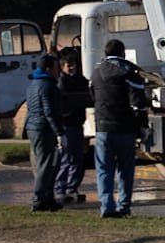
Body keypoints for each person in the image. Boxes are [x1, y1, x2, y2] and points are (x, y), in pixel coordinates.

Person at [90, 39, 147, 219]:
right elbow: (138, 104)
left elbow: (92, 96)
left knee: (104, 169)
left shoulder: (96, 73)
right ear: (123, 53)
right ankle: (124, 206)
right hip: (124, 128)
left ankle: (106, 206)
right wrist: (142, 127)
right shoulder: (129, 72)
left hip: (103, 128)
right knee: (125, 169)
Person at [24, 54, 63, 212]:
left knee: (47, 164)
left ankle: (48, 198)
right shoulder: (47, 85)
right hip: (43, 129)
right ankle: (38, 198)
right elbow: (49, 112)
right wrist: (59, 132)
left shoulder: (33, 84)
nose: (58, 71)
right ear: (48, 68)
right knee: (46, 165)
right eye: (56, 67)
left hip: (33, 127)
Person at [54, 51, 91, 205]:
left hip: (76, 124)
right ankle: (62, 189)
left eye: (73, 65)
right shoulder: (63, 83)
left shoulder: (78, 80)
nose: (72, 68)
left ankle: (70, 188)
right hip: (68, 125)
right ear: (62, 67)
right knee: (68, 158)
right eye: (69, 65)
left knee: (76, 158)